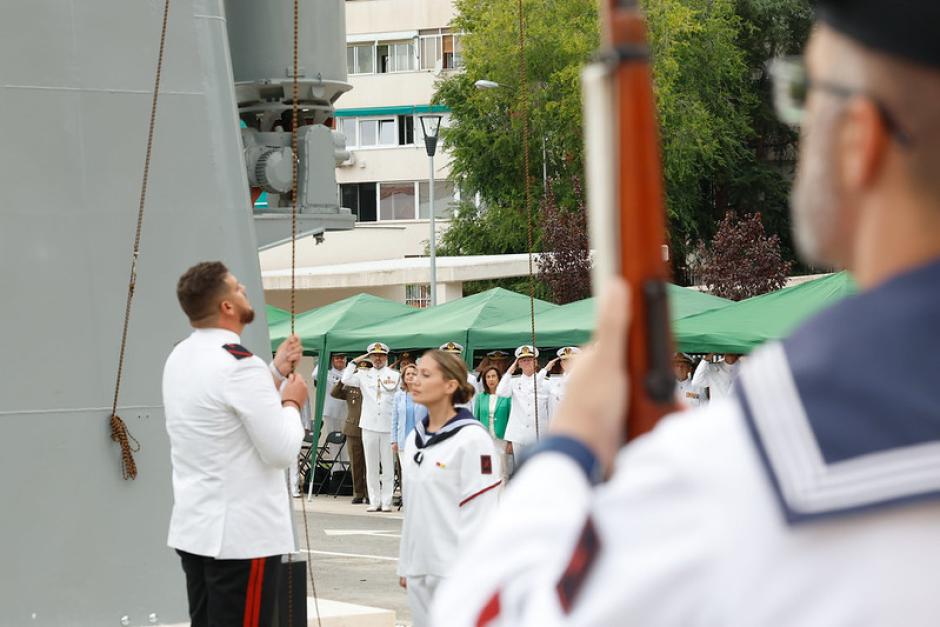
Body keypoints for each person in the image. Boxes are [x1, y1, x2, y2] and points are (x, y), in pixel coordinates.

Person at [432, 4, 940, 625]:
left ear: (861, 139)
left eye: (806, 93)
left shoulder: (740, 478)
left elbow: (481, 615)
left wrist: (571, 448)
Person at [163, 261, 308, 627]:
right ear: (227, 306)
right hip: (243, 538)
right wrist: (292, 403)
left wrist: (272, 372)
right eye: (238, 288)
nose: (244, 290)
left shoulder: (180, 356)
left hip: (197, 527)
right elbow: (280, 451)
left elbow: (222, 411)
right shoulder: (240, 364)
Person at [398, 350, 503, 627]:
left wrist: (471, 576)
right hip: (421, 569)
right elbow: (413, 507)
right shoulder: (414, 439)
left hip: (455, 573)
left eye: (425, 374)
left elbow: (481, 516)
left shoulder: (473, 440)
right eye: (416, 373)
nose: (415, 381)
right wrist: (405, 563)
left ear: (450, 386)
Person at [342, 341, 400, 512]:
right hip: (368, 425)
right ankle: (374, 501)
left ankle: (387, 501)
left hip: (388, 426)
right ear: (370, 357)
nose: (378, 359)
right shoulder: (362, 374)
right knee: (371, 466)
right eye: (374, 355)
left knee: (388, 466)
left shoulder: (395, 375)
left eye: (381, 355)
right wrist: (354, 361)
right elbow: (345, 378)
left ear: (386, 357)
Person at [496, 345, 549, 461]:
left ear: (535, 362)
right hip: (518, 434)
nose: (526, 362)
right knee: (520, 469)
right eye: (523, 360)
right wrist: (510, 371)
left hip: (539, 434)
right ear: (518, 364)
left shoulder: (546, 383)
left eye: (529, 359)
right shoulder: (514, 382)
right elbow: (500, 392)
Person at [331, 369, 369, 504]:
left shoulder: (371, 386)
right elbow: (334, 393)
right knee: (356, 463)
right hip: (353, 428)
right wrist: (342, 381)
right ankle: (358, 493)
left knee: (370, 463)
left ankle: (370, 492)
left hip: (370, 428)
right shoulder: (350, 387)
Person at [473, 365, 512, 479]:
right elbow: (476, 419)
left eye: (493, 376)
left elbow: (511, 419)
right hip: (485, 439)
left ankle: (502, 495)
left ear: (499, 378)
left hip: (501, 439)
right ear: (484, 380)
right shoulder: (480, 397)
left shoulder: (506, 397)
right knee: (486, 471)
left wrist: (510, 441)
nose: (491, 379)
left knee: (502, 471)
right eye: (488, 377)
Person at [391, 363, 428, 465]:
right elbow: (394, 420)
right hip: (403, 442)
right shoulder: (398, 396)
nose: (411, 376)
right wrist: (394, 440)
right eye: (408, 374)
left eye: (414, 374)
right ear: (404, 377)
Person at [317, 353, 349, 462]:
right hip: (331, 412)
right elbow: (314, 374)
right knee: (334, 443)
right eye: (337, 358)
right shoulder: (327, 373)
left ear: (346, 360)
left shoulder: (350, 373)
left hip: (346, 412)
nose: (340, 360)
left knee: (346, 442)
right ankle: (335, 471)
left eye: (342, 357)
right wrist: (324, 356)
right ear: (332, 360)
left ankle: (345, 471)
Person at [537, 347, 581, 420]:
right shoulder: (553, 382)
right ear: (561, 363)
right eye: (565, 360)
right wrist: (545, 369)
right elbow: (533, 387)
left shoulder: (586, 382)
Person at [440, 341, 481, 409]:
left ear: (459, 359)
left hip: (464, 417)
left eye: (455, 357)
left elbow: (475, 404)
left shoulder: (470, 379)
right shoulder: (437, 378)